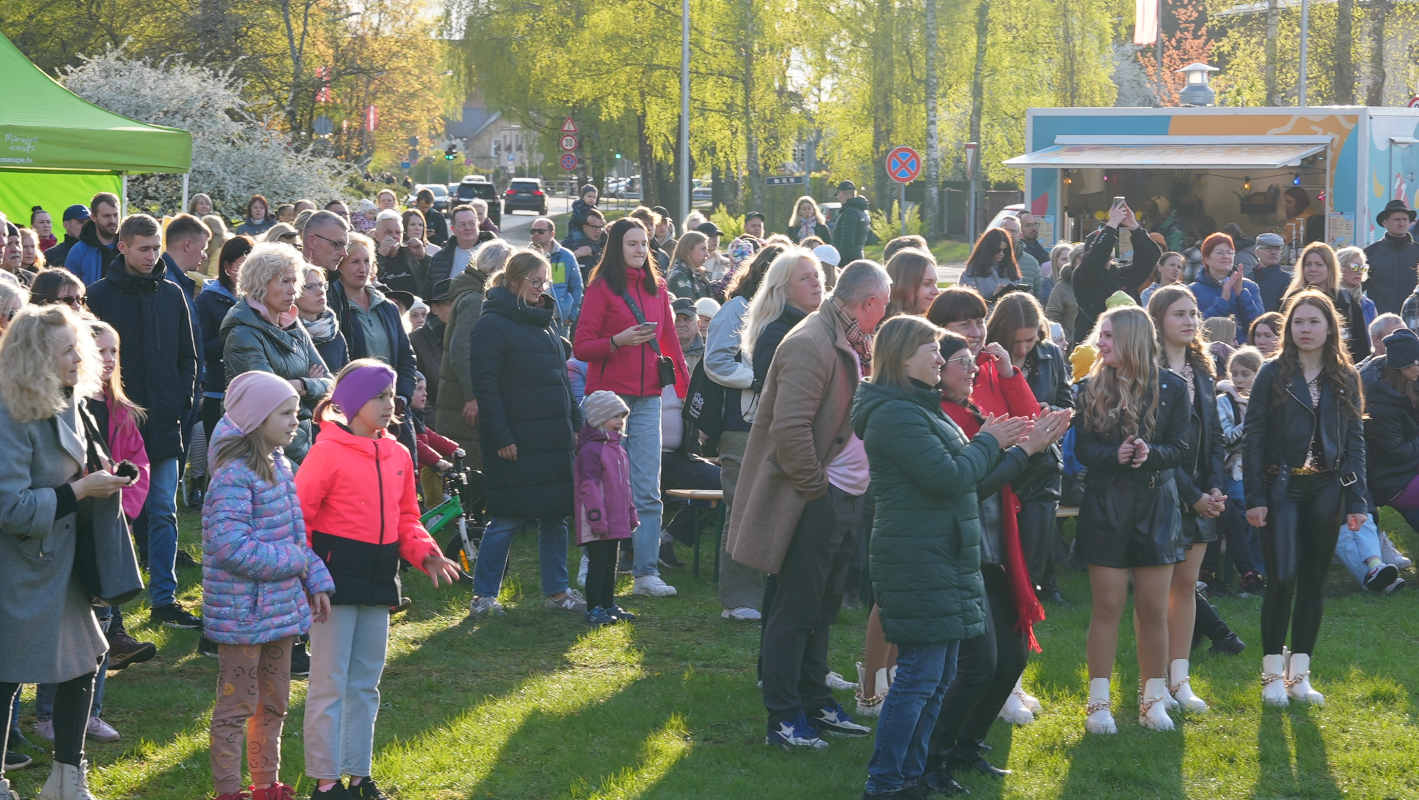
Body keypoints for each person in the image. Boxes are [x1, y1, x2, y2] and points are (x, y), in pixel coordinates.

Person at [851, 318, 1029, 796]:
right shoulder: (894, 414)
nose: (939, 355)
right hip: (917, 556)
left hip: (940, 553)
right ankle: (885, 781)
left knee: (940, 674)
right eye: (930, 348)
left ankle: (911, 774)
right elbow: (949, 478)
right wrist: (993, 441)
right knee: (918, 675)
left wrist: (997, 443)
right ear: (901, 357)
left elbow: (957, 472)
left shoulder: (921, 407)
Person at [726, 260, 889, 750]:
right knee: (796, 610)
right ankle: (785, 717)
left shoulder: (848, 337)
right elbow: (790, 429)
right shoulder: (810, 342)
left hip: (842, 495)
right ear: (869, 304)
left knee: (821, 609)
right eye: (883, 306)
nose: (885, 316)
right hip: (816, 498)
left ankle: (814, 702)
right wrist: (818, 489)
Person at [297, 360, 461, 800]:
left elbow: (408, 517)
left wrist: (426, 555)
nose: (390, 405)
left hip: (379, 580)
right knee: (328, 682)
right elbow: (301, 521)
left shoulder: (399, 453)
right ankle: (326, 782)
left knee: (366, 683)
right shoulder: (325, 452)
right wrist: (311, 579)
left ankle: (358, 776)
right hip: (331, 584)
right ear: (351, 403)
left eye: (393, 397)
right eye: (380, 397)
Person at [0, 305, 134, 800]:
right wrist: (81, 492)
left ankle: (66, 779)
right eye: (67, 350)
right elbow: (9, 507)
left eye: (78, 346)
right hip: (19, 567)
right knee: (6, 676)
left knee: (83, 662)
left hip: (64, 562)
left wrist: (104, 477)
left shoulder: (69, 399)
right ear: (37, 356)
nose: (81, 357)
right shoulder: (9, 411)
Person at [928, 329, 1069, 787]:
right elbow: (970, 488)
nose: (973, 368)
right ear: (935, 368)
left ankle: (966, 747)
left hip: (993, 551)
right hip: (963, 553)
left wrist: (1034, 444)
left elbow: (1014, 452)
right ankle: (933, 761)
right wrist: (1025, 449)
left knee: (1010, 660)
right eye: (961, 361)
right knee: (979, 665)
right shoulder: (941, 417)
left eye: (973, 359)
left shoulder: (970, 411)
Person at [202, 371, 335, 800]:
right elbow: (230, 545)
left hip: (279, 613)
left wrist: (314, 578)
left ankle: (265, 785)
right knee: (236, 705)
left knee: (273, 704)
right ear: (257, 419)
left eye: (296, 412)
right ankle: (228, 790)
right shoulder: (233, 475)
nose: (296, 421)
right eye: (285, 413)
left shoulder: (281, 466)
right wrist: (296, 563)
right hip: (242, 616)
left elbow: (296, 535)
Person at [1244, 290, 1367, 707]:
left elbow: (1355, 440)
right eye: (1298, 322)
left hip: (1328, 487)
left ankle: (1300, 674)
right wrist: (1254, 496)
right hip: (1281, 487)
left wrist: (1358, 501)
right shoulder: (1272, 373)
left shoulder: (1345, 376)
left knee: (1314, 581)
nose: (1305, 329)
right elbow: (1254, 437)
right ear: (1288, 329)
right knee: (1281, 578)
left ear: (1330, 327)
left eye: (1314, 321)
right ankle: (1271, 674)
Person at [1072, 305, 1190, 734]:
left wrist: (1148, 453)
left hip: (1158, 504)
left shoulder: (1173, 387)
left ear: (1131, 339)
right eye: (1100, 334)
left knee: (1154, 609)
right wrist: (1113, 455)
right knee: (1107, 606)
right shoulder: (1088, 387)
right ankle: (1098, 703)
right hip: (1106, 504)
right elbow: (1082, 448)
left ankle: (1153, 699)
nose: (1099, 343)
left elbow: (1181, 448)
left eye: (1107, 336)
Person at [87, 213, 201, 629]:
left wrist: (182, 402)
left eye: (156, 249)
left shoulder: (172, 294)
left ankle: (164, 598)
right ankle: (109, 605)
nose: (152, 256)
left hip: (166, 420)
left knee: (164, 510)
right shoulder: (99, 295)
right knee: (118, 513)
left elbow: (188, 356)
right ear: (123, 247)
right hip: (116, 423)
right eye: (144, 249)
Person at [573, 218, 690, 599]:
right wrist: (617, 340)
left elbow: (670, 340)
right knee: (604, 486)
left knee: (647, 488)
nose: (640, 249)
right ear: (617, 247)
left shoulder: (658, 287)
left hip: (649, 397)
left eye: (643, 243)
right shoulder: (601, 287)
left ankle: (646, 572)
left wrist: (685, 391)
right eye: (632, 244)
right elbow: (582, 347)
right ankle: (592, 561)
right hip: (610, 399)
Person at [466, 250, 586, 618]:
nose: (541, 289)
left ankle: (557, 591)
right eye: (535, 282)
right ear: (515, 281)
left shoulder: (546, 321)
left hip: (552, 437)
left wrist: (575, 422)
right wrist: (501, 437)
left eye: (545, 282)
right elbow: (486, 388)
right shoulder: (491, 325)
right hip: (516, 440)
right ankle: (483, 597)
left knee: (555, 516)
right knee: (505, 517)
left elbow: (559, 379)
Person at [1145, 285, 1227, 713]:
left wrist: (1213, 488)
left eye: (1194, 313)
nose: (1190, 320)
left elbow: (1212, 438)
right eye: (1179, 313)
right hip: (1160, 491)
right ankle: (1154, 682)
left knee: (1186, 588)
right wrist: (1193, 495)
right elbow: (1154, 444)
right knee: (1157, 595)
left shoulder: (1203, 369)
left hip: (1200, 493)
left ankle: (1180, 680)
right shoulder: (1148, 372)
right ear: (1157, 320)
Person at [701, 244, 784, 621]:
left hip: (778, 425)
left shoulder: (789, 316)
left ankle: (768, 594)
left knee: (771, 509)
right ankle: (738, 601)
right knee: (742, 509)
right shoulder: (735, 310)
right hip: (740, 426)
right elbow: (715, 362)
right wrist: (756, 380)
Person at [990, 293, 1073, 609]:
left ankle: (1040, 590)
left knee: (1038, 538)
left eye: (1029, 340)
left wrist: (1049, 410)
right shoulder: (988, 356)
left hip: (1042, 466)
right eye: (1017, 341)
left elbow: (1067, 403)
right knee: (1003, 546)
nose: (1023, 349)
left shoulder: (1051, 353)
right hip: (1001, 463)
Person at [222, 242, 333, 464]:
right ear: (260, 284)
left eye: (295, 281)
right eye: (285, 281)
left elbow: (331, 385)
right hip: (265, 454)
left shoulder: (292, 324)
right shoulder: (243, 334)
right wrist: (308, 384)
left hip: (303, 444)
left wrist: (301, 385)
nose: (294, 290)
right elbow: (272, 400)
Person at [436, 239, 514, 472]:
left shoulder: (473, 292)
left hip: (463, 396)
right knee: (470, 467)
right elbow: (461, 349)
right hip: (463, 401)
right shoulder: (475, 299)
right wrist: (472, 396)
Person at [657, 297, 720, 566]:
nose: (680, 325)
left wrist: (701, 432)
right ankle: (630, 553)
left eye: (687, 320)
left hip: (686, 450)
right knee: (638, 489)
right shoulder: (651, 357)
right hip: (647, 450)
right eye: (676, 320)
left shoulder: (704, 358)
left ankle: (667, 538)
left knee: (724, 482)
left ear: (697, 325)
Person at [327, 233, 418, 408]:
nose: (363, 268)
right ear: (340, 266)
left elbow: (406, 356)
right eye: (355, 262)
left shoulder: (387, 307)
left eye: (367, 261)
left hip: (393, 405)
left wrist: (404, 396)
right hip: (354, 407)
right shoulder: (333, 309)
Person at [576, 391, 639, 625]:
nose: (620, 421)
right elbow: (589, 487)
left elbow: (625, 487)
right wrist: (596, 519)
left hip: (616, 517)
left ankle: (608, 603)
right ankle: (594, 608)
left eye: (622, 416)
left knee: (611, 561)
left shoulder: (618, 449)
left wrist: (630, 512)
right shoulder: (591, 450)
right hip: (598, 519)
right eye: (615, 417)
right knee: (598, 562)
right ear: (598, 419)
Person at [195, 235, 254, 465]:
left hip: (253, 391)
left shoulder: (260, 299)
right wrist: (235, 336)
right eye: (242, 264)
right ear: (227, 266)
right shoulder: (207, 300)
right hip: (218, 391)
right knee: (223, 465)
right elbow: (202, 347)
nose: (247, 271)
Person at [1071, 203, 1162, 341]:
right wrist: (1112, 223)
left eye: (1109, 242)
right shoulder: (1083, 276)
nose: (1105, 247)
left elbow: (1150, 256)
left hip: (1129, 344)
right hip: (1095, 346)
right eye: (1097, 245)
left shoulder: (1125, 275)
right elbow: (1096, 258)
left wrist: (1133, 226)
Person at [1217, 346, 1266, 595]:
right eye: (1234, 373)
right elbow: (1227, 440)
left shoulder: (1271, 398)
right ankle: (1250, 572)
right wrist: (1254, 418)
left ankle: (1267, 570)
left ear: (1259, 375)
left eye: (1245, 373)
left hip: (1266, 469)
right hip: (1236, 470)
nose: (1238, 379)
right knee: (1246, 503)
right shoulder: (1224, 402)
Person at [1284, 242, 1370, 364]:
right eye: (1308, 264)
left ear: (1330, 267)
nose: (1313, 269)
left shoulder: (1345, 300)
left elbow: (1360, 347)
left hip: (1336, 370)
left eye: (1319, 264)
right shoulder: (1292, 299)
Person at [1188, 232, 1264, 341]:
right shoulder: (1193, 291)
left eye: (1229, 252)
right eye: (1219, 252)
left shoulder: (1250, 286)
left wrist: (1241, 294)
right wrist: (1223, 300)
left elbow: (1260, 326)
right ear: (1206, 259)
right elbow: (1199, 328)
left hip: (1244, 352)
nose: (1226, 257)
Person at [529, 217, 582, 336]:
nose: (536, 234)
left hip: (559, 322)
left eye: (540, 231)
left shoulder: (566, 256)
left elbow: (577, 287)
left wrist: (571, 317)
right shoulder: (526, 257)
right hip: (531, 320)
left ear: (552, 234)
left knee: (561, 354)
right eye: (533, 231)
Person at [1367, 200, 1419, 317]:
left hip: (1414, 319)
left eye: (1405, 219)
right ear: (1385, 223)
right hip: (1381, 319)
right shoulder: (1371, 253)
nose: (1402, 223)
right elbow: (1358, 286)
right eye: (1397, 220)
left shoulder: (1417, 251)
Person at [410, 280, 451, 426]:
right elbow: (417, 392)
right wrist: (437, 428)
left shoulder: (465, 337)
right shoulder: (416, 341)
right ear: (434, 308)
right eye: (449, 304)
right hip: (436, 427)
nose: (456, 309)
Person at [297, 264, 349, 374]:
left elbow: (346, 380)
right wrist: (309, 384)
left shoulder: (333, 332)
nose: (320, 291)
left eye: (321, 285)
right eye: (310, 286)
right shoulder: (288, 335)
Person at [61, 192, 121, 286]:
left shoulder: (129, 248)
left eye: (115, 215)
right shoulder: (79, 251)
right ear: (93, 217)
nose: (112, 220)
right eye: (106, 216)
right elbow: (69, 290)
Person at [427, 205, 485, 293]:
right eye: (462, 224)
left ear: (478, 225)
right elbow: (427, 293)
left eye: (471, 223)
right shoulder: (440, 259)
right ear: (453, 229)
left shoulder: (493, 254)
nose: (468, 228)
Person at [961, 228, 1023, 304]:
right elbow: (965, 305)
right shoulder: (971, 273)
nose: (1001, 253)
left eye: (1005, 250)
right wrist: (993, 297)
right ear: (988, 250)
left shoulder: (1011, 270)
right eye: (997, 250)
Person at [370, 210, 423, 296]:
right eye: (388, 232)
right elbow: (368, 279)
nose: (394, 236)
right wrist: (380, 256)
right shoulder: (369, 256)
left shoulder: (410, 253)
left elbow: (430, 278)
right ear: (377, 235)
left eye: (398, 233)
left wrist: (422, 256)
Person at [883, 248, 940, 319]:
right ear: (902, 286)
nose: (936, 291)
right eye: (927, 283)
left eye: (935, 282)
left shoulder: (942, 323)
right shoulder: (880, 327)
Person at [999, 216, 1042, 299]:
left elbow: (1040, 295)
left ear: (1020, 235)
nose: (1009, 234)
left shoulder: (1032, 263)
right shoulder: (991, 261)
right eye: (1006, 231)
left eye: (1013, 231)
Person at [667, 230, 714, 301]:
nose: (707, 254)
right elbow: (689, 307)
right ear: (688, 250)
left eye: (707, 249)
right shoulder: (679, 275)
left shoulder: (697, 274)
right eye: (703, 249)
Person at [1251, 233, 1291, 313]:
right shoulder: (1248, 279)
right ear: (1257, 252)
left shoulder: (1287, 280)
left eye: (1277, 249)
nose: (1273, 252)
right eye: (1268, 249)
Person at [833, 180, 871, 265]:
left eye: (838, 195)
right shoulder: (862, 210)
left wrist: (840, 261)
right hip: (858, 257)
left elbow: (847, 241)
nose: (838, 198)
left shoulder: (849, 213)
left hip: (849, 261)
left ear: (840, 193)